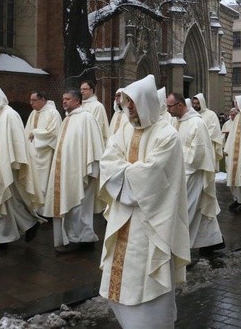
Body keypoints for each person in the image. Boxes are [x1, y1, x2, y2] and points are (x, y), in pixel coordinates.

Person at [98, 75, 189, 329]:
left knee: (148, 284)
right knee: (122, 284)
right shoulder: (124, 129)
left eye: (133, 103)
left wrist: (124, 171)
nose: (129, 109)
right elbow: (107, 163)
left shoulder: (167, 135)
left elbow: (152, 178)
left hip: (151, 223)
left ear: (147, 103)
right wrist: (132, 171)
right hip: (122, 220)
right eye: (127, 103)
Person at [43, 89, 105, 253]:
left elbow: (94, 145)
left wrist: (93, 170)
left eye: (68, 99)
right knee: (71, 206)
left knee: (80, 207)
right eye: (63, 99)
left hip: (83, 172)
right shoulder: (67, 119)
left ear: (77, 101)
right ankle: (78, 238)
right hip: (67, 173)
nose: (64, 102)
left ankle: (81, 239)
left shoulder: (86, 118)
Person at [0, 85, 43, 244]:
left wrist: (13, 164)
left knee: (10, 200)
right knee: (6, 201)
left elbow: (16, 141)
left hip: (9, 166)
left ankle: (24, 225)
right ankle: (6, 234)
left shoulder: (10, 115)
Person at [167, 92, 224, 256]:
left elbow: (197, 154)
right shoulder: (177, 122)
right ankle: (212, 241)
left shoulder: (196, 124)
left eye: (170, 106)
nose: (168, 110)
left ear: (179, 105)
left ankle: (181, 251)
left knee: (187, 212)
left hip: (192, 175)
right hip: (181, 173)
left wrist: (177, 160)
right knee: (201, 211)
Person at [25, 91, 62, 203]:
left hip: (45, 154)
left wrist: (35, 133)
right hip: (32, 153)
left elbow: (53, 133)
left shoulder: (53, 113)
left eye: (34, 100)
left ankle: (44, 209)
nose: (31, 103)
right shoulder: (33, 113)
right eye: (30, 100)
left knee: (44, 182)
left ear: (42, 100)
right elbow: (27, 131)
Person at [192, 93, 225, 167]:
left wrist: (201, 137)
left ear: (202, 103)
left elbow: (214, 130)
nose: (195, 105)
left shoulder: (211, 115)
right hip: (195, 146)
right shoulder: (192, 115)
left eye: (197, 103)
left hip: (208, 145)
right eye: (194, 103)